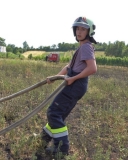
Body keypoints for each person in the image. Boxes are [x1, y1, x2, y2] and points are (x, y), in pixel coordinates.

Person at [41, 17, 97, 157]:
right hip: (74, 83)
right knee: (58, 112)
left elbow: (92, 68)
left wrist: (73, 78)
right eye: (77, 28)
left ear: (89, 32)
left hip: (76, 84)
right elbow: (69, 66)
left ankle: (62, 148)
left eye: (83, 29)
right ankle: (46, 137)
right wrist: (55, 77)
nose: (79, 31)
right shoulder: (82, 46)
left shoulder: (85, 47)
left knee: (54, 112)